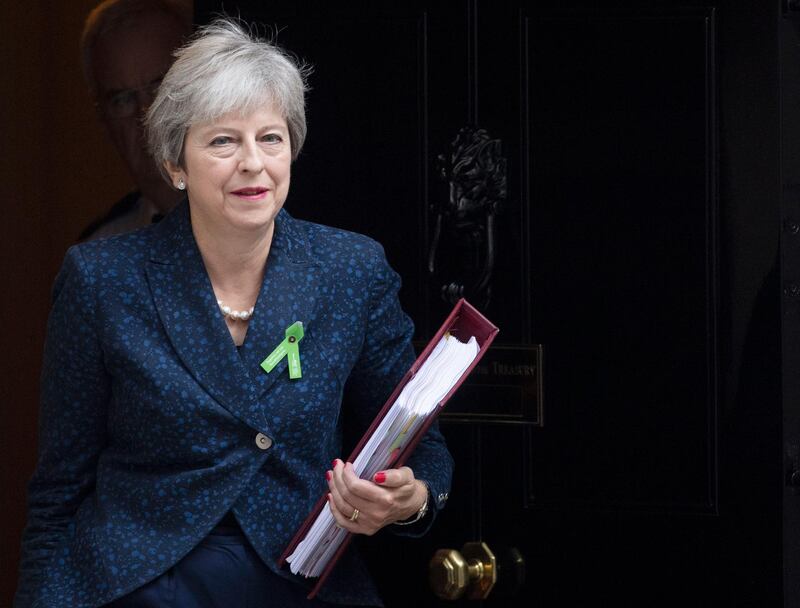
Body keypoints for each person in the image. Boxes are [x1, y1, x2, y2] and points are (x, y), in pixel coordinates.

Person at [15, 18, 453, 608]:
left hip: (301, 580)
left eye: (270, 138)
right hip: (144, 584)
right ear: (176, 163)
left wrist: (414, 497)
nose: (253, 163)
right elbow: (58, 494)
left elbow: (421, 438)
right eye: (223, 141)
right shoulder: (102, 280)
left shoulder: (352, 270)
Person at [78, 0, 192, 240]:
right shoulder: (102, 255)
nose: (146, 115)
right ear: (105, 121)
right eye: (122, 100)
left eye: (161, 86)